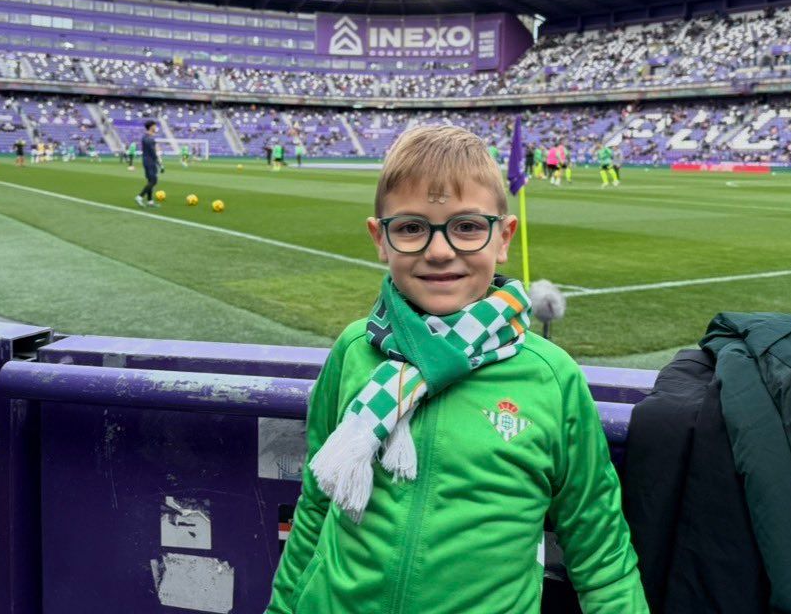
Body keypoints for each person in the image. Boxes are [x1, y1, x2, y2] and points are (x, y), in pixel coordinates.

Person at [266, 125, 647, 614]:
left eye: (467, 226)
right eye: (411, 228)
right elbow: (318, 503)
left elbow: (601, 555)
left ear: (503, 237)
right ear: (379, 239)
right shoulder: (354, 350)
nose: (440, 250)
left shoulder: (551, 377)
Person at [135, 120, 162, 208]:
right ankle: (139, 197)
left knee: (150, 181)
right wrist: (159, 164)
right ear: (151, 127)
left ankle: (150, 201)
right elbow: (153, 153)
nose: (156, 128)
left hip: (146, 161)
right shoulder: (149, 139)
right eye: (154, 126)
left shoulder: (146, 137)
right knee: (154, 181)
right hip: (150, 161)